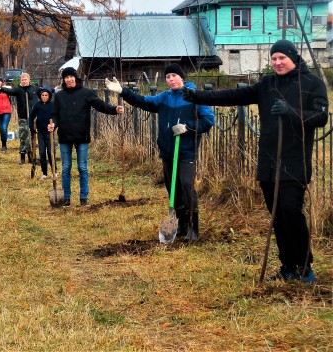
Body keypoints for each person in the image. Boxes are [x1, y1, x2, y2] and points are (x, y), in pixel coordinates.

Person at [182, 40, 329, 281]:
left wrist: (291, 113)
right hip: (269, 161)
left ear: (294, 57)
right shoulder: (268, 84)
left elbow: (321, 117)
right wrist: (198, 96)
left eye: (282, 58)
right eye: (274, 59)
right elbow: (235, 95)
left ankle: (304, 267)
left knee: (291, 212)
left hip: (294, 161)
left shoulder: (311, 83)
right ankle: (288, 267)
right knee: (276, 215)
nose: (277, 63)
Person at [106, 64, 215, 240]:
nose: (171, 79)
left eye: (174, 76)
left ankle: (194, 228)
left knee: (187, 186)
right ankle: (181, 225)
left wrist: (187, 127)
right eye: (168, 77)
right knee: (173, 189)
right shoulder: (164, 97)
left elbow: (209, 121)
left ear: (182, 77)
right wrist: (122, 91)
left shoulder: (195, 97)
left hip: (186, 151)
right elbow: (143, 101)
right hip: (168, 150)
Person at [48, 67, 123, 207]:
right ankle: (66, 198)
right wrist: (53, 125)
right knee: (66, 168)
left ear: (76, 78)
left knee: (82, 167)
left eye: (71, 76)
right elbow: (55, 115)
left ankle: (83, 198)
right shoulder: (59, 96)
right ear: (63, 80)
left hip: (82, 135)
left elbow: (100, 105)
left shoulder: (87, 93)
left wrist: (114, 109)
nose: (69, 79)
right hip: (65, 136)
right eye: (66, 77)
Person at [0, 72, 39, 164]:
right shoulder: (18, 89)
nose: (24, 81)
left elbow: (44, 93)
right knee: (23, 136)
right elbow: (10, 91)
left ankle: (32, 156)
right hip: (23, 117)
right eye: (22, 80)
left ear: (29, 80)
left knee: (32, 136)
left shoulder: (34, 89)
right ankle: (22, 157)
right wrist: (1, 88)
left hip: (33, 117)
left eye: (25, 80)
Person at [29, 86, 55, 180]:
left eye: (46, 95)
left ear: (49, 96)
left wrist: (54, 126)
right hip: (40, 132)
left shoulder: (52, 105)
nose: (44, 97)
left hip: (49, 132)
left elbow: (56, 117)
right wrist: (31, 127)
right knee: (42, 152)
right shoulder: (37, 105)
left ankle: (53, 171)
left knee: (51, 152)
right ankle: (44, 173)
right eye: (43, 95)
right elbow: (31, 116)